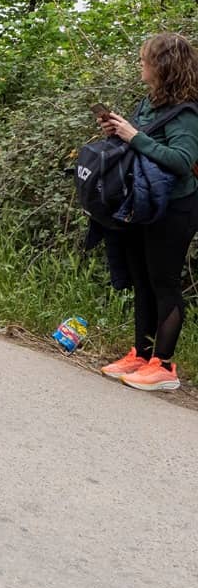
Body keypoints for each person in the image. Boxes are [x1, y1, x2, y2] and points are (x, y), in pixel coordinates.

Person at [98, 33, 198, 391]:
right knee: (142, 280)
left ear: (164, 66)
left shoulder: (187, 112)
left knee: (164, 282)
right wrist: (118, 131)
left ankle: (164, 366)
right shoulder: (150, 103)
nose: (141, 64)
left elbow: (182, 161)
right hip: (144, 203)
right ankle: (141, 355)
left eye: (146, 59)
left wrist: (134, 136)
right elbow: (143, 143)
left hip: (176, 207)